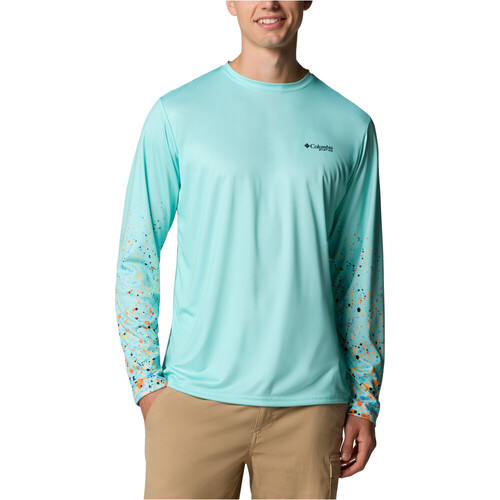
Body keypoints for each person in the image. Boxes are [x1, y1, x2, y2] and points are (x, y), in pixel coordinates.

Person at [115, 1, 385, 498]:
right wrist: (147, 386)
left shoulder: (349, 126)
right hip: (194, 399)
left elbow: (359, 272)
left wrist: (364, 401)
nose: (269, 3)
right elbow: (138, 253)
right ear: (230, 2)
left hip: (309, 409)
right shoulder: (178, 114)